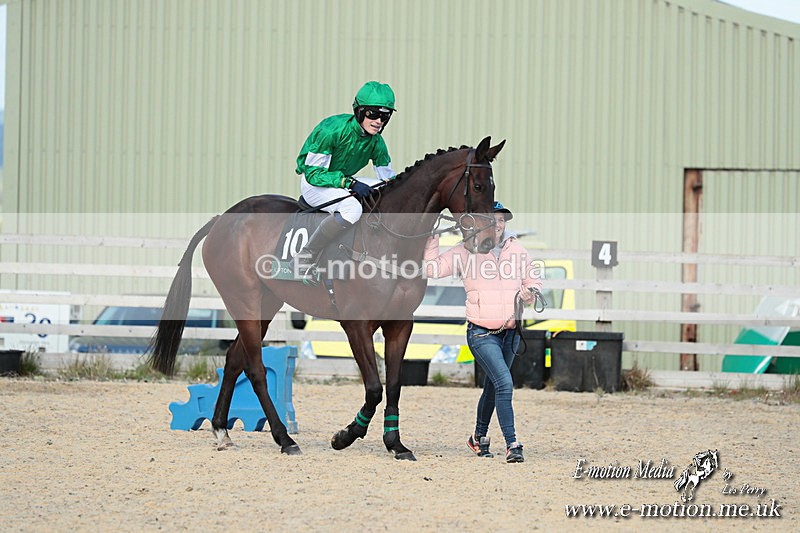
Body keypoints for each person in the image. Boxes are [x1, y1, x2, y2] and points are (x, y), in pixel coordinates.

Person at [423, 201, 542, 463]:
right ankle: (513, 444)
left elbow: (533, 281)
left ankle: (478, 438)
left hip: (510, 332)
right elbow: (431, 269)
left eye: (501, 220)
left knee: (493, 386)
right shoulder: (466, 251)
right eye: (492, 219)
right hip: (481, 333)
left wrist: (530, 293)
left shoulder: (517, 251)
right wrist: (431, 239)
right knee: (504, 383)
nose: (498, 224)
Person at [290, 81, 397, 277]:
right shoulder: (331, 131)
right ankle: (305, 256)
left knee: (383, 191)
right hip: (314, 184)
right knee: (352, 208)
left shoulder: (377, 142)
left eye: (385, 115)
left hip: (342, 181)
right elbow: (314, 174)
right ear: (359, 112)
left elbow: (388, 179)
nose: (379, 121)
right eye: (373, 114)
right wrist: (351, 184)